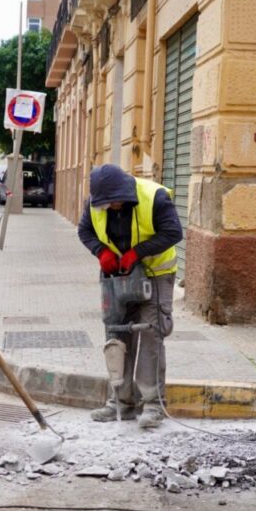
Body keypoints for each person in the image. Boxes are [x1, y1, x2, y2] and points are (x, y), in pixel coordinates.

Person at [77, 164, 183, 429]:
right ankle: (121, 403)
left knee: (150, 334)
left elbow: (174, 233)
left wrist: (138, 252)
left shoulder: (155, 197)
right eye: (104, 204)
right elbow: (85, 231)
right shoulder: (95, 203)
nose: (109, 207)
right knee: (116, 334)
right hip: (117, 278)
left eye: (113, 202)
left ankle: (153, 405)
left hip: (155, 276)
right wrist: (101, 252)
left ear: (123, 192)